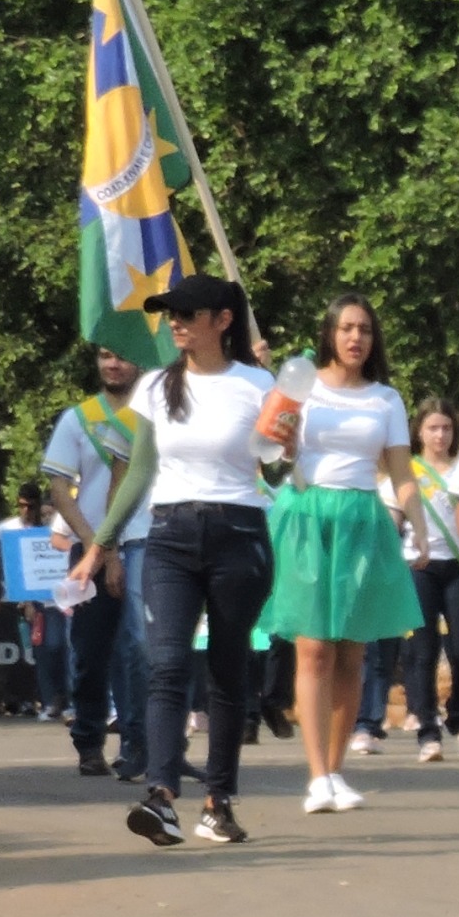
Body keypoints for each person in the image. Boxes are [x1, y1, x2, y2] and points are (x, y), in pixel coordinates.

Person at [80, 277, 274, 849]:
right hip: (168, 536)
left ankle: (219, 800)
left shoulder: (258, 386)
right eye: (170, 314)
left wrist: (286, 427)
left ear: (223, 320)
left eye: (188, 313)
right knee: (165, 663)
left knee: (226, 668)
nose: (175, 323)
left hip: (239, 532)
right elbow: (139, 472)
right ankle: (161, 796)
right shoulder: (157, 386)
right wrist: (103, 542)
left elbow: (281, 472)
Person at [256, 293, 424, 815]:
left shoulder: (387, 399)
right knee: (314, 648)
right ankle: (316, 777)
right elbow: (267, 459)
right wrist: (280, 438)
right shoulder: (299, 387)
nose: (356, 338)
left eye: (366, 330)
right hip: (305, 515)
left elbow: (401, 474)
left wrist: (419, 528)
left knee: (353, 651)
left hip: (363, 520)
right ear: (330, 332)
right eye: (347, 328)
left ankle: (335, 771)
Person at [43, 348, 152, 781]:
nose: (113, 365)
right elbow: (58, 487)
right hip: (90, 549)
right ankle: (89, 741)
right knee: (90, 650)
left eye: (123, 357)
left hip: (145, 541)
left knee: (137, 649)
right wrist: (97, 547)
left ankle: (135, 742)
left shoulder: (156, 415)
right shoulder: (79, 418)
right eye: (106, 356)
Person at [397, 397, 459, 759]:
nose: (440, 435)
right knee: (422, 651)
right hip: (419, 564)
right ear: (419, 431)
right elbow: (394, 516)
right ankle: (427, 729)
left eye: (447, 428)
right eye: (433, 427)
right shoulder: (408, 470)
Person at [0, 483, 66, 719]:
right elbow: (8, 568)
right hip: (26, 604)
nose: (27, 511)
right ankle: (46, 702)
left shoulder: (51, 531)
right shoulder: (8, 530)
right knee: (40, 652)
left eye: (32, 506)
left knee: (58, 648)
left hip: (56, 602)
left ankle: (63, 700)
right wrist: (24, 601)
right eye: (22, 506)